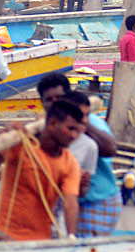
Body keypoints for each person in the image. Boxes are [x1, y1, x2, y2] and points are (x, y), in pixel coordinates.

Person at [0, 99, 84, 240]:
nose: (74, 136)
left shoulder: (70, 163)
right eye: (70, 129)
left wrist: (72, 236)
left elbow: (70, 201)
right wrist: (2, 137)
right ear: (53, 124)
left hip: (39, 238)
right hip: (2, 232)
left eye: (77, 131)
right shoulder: (21, 144)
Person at [36, 76, 119, 237]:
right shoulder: (47, 128)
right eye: (49, 100)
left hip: (95, 200)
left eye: (59, 99)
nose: (54, 104)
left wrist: (79, 121)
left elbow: (110, 149)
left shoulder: (92, 122)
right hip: (64, 202)